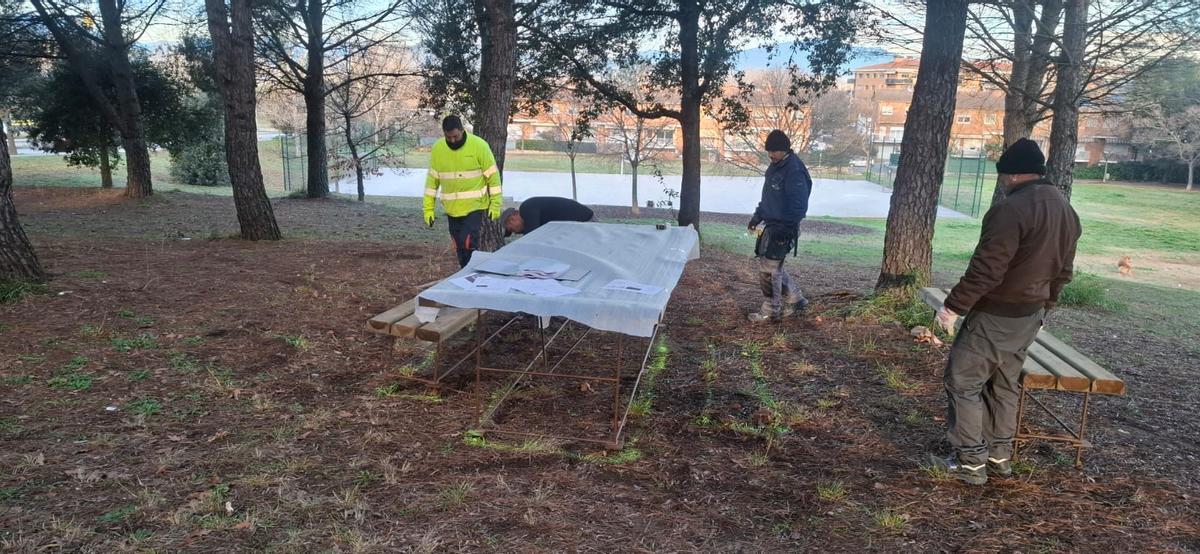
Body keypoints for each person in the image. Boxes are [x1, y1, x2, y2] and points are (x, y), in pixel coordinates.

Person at [930, 138, 1081, 485]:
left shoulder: (1010, 210)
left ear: (1009, 175)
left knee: (963, 381)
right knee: (1004, 383)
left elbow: (987, 269)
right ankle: (999, 456)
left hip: (997, 313)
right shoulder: (1064, 208)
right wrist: (1047, 305)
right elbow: (1064, 270)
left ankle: (971, 463)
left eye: (1002, 176)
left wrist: (953, 307)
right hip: (1030, 316)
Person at [746, 129, 812, 323]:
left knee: (768, 271)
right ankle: (796, 298)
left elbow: (799, 205)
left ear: (784, 150)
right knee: (772, 266)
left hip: (784, 227)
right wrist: (757, 217)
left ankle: (771, 311)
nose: (770, 155)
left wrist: (787, 229)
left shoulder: (794, 170)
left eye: (774, 151)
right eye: (768, 151)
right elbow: (768, 198)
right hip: (770, 225)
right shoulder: (774, 167)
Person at [423, 115, 503, 268]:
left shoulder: (479, 146)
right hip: (452, 209)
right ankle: (466, 273)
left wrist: (495, 204)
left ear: (462, 130)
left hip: (475, 206)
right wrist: (428, 209)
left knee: (467, 242)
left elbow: (493, 178)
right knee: (459, 245)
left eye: (455, 136)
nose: (452, 140)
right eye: (448, 137)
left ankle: (470, 274)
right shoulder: (438, 149)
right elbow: (432, 182)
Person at [501, 196, 595, 237]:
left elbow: (532, 235)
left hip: (586, 221)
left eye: (510, 224)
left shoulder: (527, 207)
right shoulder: (533, 215)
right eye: (511, 231)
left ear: (515, 214)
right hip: (576, 226)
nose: (513, 231)